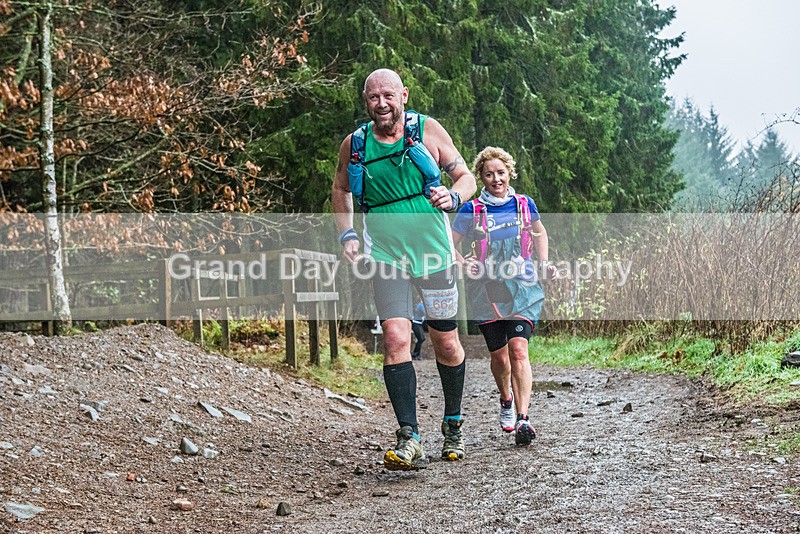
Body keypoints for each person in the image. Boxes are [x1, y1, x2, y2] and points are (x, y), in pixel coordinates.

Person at [331, 69, 477, 470]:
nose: (382, 104)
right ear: (366, 101)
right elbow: (341, 189)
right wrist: (348, 234)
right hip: (386, 254)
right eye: (374, 97)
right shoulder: (355, 145)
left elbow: (466, 177)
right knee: (396, 337)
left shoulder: (427, 131)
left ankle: (453, 424)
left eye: (388, 96)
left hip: (434, 253)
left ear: (403, 96)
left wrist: (453, 195)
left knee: (445, 342)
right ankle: (409, 436)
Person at [451, 146, 556, 446]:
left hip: (523, 287)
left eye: (501, 172)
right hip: (486, 289)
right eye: (488, 174)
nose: (496, 179)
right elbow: (449, 240)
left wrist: (544, 263)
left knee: (519, 351)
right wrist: (463, 262)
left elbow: (540, 232)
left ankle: (524, 419)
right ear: (480, 177)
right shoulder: (471, 211)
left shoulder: (524, 204)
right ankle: (506, 398)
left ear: (510, 172)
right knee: (499, 357)